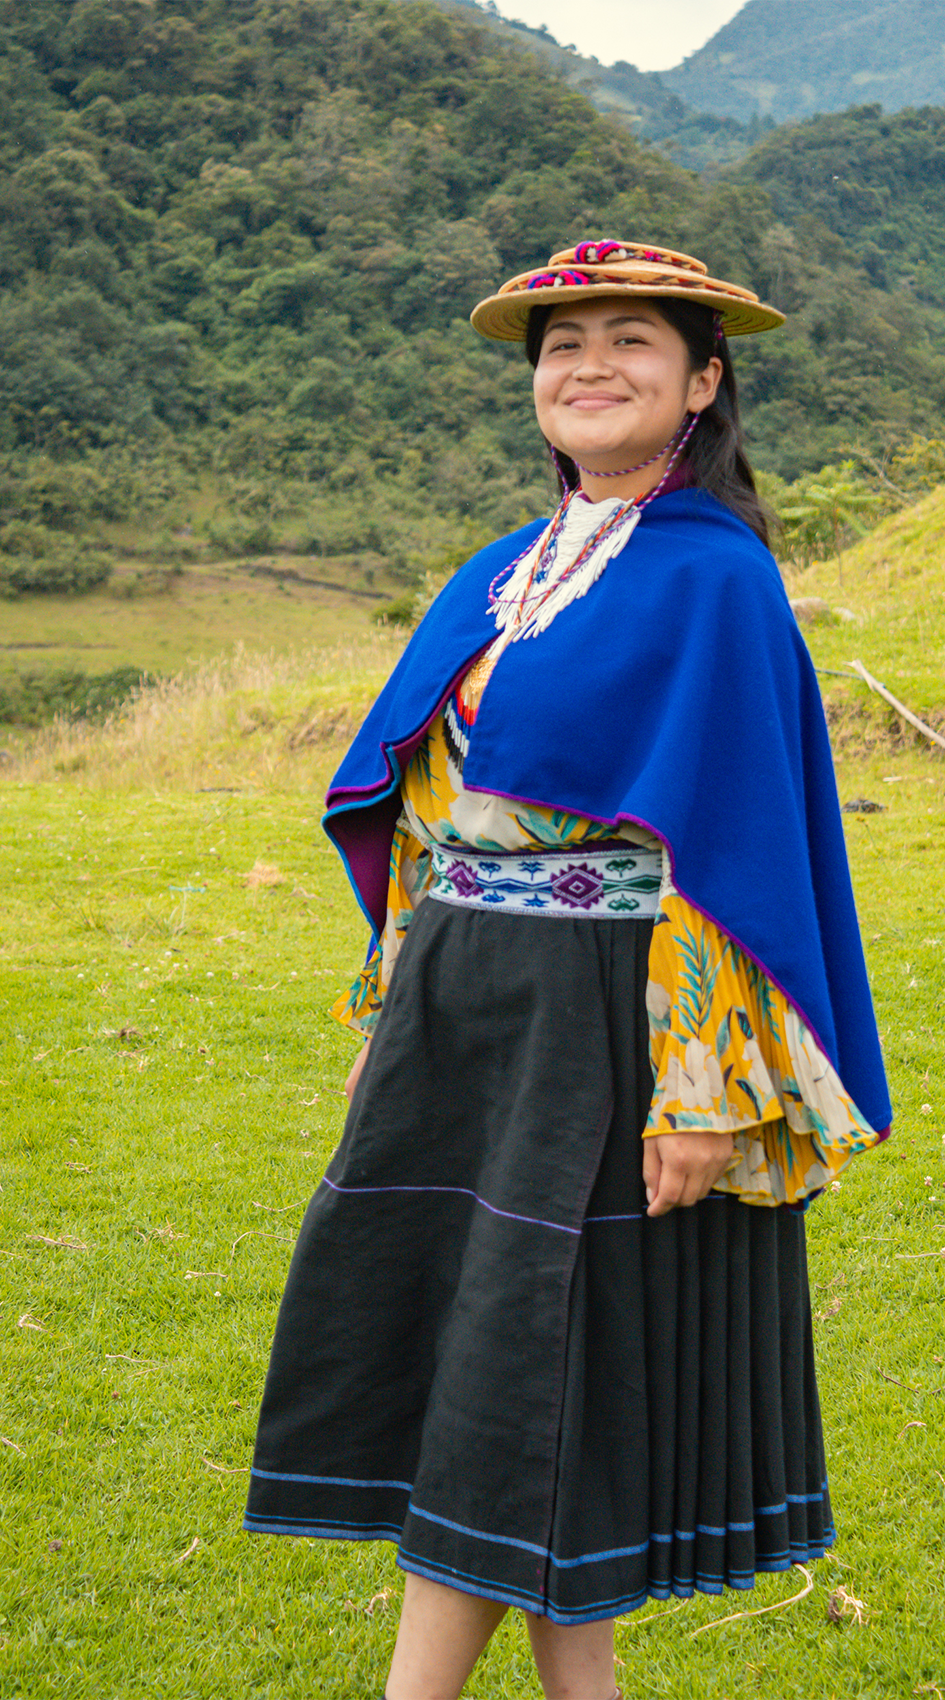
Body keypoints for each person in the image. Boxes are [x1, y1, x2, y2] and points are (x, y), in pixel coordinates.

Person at [244, 240, 891, 1700]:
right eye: (562, 346)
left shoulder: (715, 579)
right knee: (506, 1362)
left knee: (528, 1365)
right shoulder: (501, 574)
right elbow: (427, 819)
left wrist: (711, 1082)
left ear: (702, 382)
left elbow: (729, 844)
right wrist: (391, 1008)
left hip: (610, 1014)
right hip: (463, 997)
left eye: (630, 343)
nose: (589, 367)